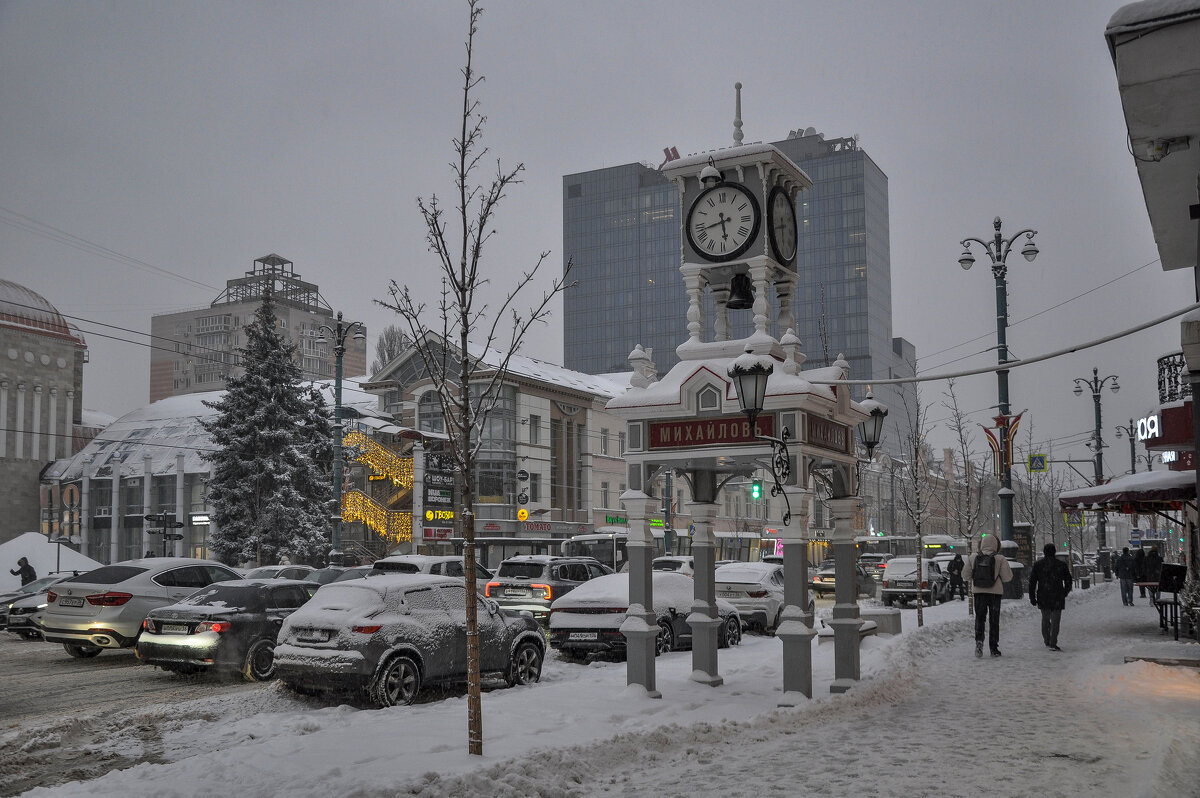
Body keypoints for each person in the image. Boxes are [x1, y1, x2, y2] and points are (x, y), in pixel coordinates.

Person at [966, 535, 1014, 658]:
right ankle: (993, 648)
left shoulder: (973, 557)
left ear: (981, 544)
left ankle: (979, 642)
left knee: (980, 618)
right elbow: (1008, 577)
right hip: (995, 594)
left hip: (979, 593)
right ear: (996, 545)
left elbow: (965, 575)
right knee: (994, 620)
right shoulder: (1000, 558)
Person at [1028, 543, 1072, 651]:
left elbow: (1032, 582)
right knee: (1056, 621)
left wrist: (1032, 597)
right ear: (1054, 552)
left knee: (1045, 619)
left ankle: (1046, 639)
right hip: (1057, 596)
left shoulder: (1038, 565)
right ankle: (1053, 642)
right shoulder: (1061, 565)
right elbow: (1068, 580)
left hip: (1043, 596)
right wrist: (1065, 592)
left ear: (1044, 552)